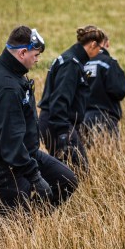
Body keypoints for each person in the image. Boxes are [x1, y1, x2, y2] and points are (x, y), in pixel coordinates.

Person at [0, 26, 78, 215]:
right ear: (22, 53)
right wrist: (35, 177)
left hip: (24, 153)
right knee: (15, 222)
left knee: (66, 180)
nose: (37, 60)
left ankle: (32, 217)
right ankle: (25, 224)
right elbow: (10, 142)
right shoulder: (7, 89)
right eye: (35, 55)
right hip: (0, 162)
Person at [37, 25, 107, 172]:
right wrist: (63, 133)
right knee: (78, 171)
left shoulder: (72, 59)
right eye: (100, 48)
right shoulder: (71, 63)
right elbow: (60, 98)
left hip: (58, 122)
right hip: (58, 123)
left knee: (70, 172)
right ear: (93, 44)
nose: (100, 52)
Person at [82, 34, 125, 141]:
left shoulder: (81, 64)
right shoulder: (109, 63)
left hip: (83, 118)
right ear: (106, 43)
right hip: (106, 117)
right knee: (109, 155)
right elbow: (119, 91)